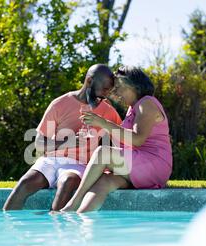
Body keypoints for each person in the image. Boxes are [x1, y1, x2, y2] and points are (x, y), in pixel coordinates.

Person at [3, 64, 122, 211]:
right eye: (104, 89)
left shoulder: (108, 111)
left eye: (108, 91)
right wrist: (67, 142)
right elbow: (39, 143)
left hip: (79, 165)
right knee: (24, 183)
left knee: (67, 182)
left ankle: (56, 228)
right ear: (89, 81)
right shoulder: (60, 104)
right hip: (51, 161)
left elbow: (122, 139)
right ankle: (6, 228)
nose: (106, 95)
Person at [61, 66, 172, 213]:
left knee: (103, 153)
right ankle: (81, 220)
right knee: (103, 182)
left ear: (133, 85)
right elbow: (125, 141)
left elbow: (138, 139)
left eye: (119, 87)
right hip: (139, 164)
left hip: (154, 164)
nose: (117, 93)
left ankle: (73, 203)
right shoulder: (133, 107)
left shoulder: (147, 103)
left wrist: (103, 123)